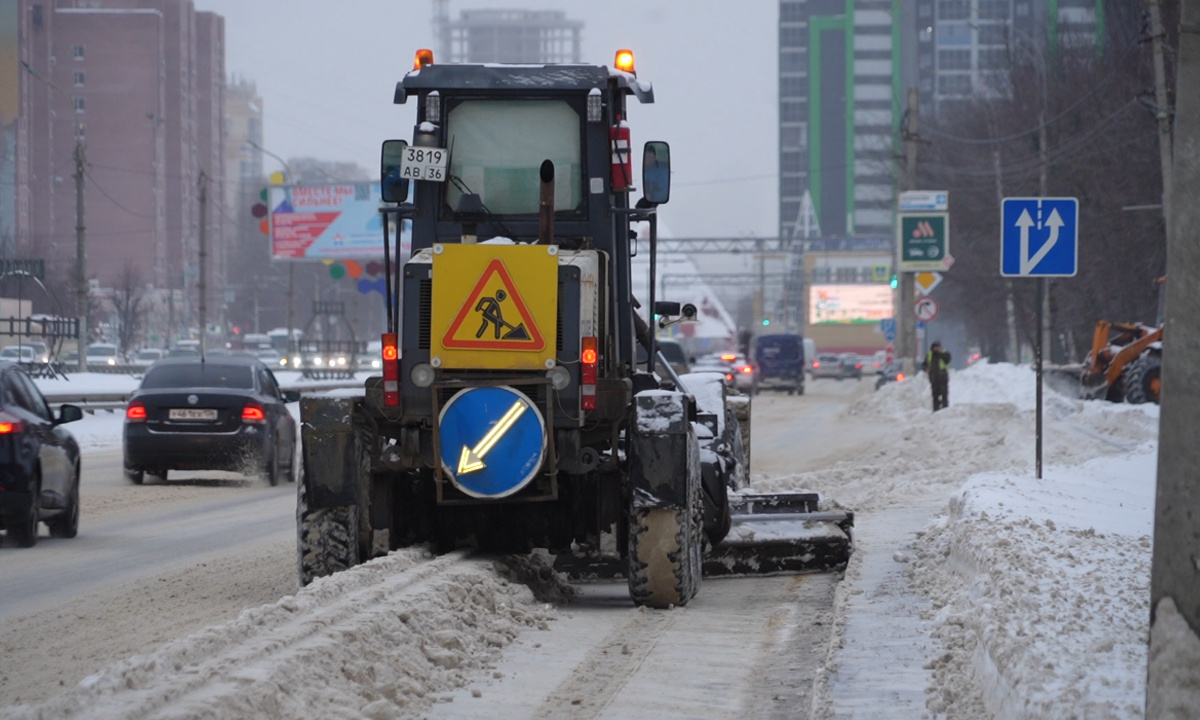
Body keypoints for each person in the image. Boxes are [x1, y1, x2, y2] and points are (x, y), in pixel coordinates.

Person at [924, 341, 951, 411]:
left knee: (944, 395)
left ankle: (945, 409)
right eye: (935, 347)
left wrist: (940, 353)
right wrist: (926, 369)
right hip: (934, 379)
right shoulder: (930, 354)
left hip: (943, 378)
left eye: (938, 347)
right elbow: (924, 364)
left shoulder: (944, 353)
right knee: (935, 396)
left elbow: (947, 360)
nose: (936, 349)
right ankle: (936, 410)